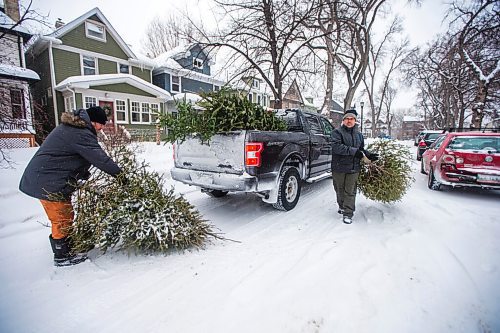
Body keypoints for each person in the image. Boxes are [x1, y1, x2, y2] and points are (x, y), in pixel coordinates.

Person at [19, 106, 124, 266]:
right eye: (101, 124)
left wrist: (82, 176)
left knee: (66, 214)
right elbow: (99, 158)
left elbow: (73, 156)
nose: (102, 128)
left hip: (50, 178)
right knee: (61, 217)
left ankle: (68, 247)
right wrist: (121, 176)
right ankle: (62, 256)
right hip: (48, 181)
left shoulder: (74, 128)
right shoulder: (79, 132)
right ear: (93, 121)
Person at [331, 109, 378, 224]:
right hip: (339, 167)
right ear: (343, 120)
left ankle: (348, 213)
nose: (349, 121)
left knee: (350, 191)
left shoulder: (359, 135)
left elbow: (360, 149)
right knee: (339, 189)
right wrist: (354, 151)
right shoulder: (337, 132)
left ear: (355, 121)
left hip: (353, 168)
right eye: (347, 119)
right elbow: (336, 147)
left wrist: (368, 154)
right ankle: (342, 206)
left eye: (351, 119)